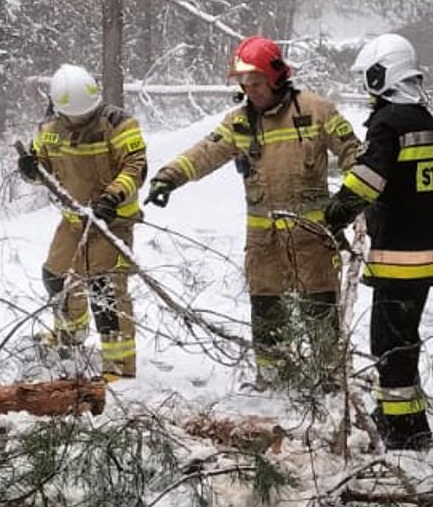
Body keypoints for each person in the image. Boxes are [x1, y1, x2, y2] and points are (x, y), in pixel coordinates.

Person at [145, 37, 362, 386]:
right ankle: (272, 378)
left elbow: (354, 154)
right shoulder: (239, 123)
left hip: (311, 241)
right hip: (265, 244)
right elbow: (204, 152)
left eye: (257, 83)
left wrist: (354, 201)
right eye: (244, 85)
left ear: (276, 78)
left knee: (319, 310)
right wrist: (168, 178)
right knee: (266, 310)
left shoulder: (316, 111)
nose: (250, 91)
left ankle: (327, 380)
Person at [322, 34, 433, 449]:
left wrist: (336, 213)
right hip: (425, 251)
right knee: (404, 340)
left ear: (382, 74)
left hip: (399, 253)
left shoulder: (389, 123)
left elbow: (368, 180)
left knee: (390, 345)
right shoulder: (424, 120)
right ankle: (411, 421)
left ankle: (401, 430)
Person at [16, 64, 147, 381]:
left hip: (112, 221)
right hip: (74, 221)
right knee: (55, 276)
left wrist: (112, 197)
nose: (83, 119)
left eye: (88, 113)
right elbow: (43, 170)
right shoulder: (49, 129)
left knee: (105, 288)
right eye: (76, 116)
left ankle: (119, 366)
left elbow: (135, 167)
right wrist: (30, 170)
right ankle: (70, 334)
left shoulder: (119, 124)